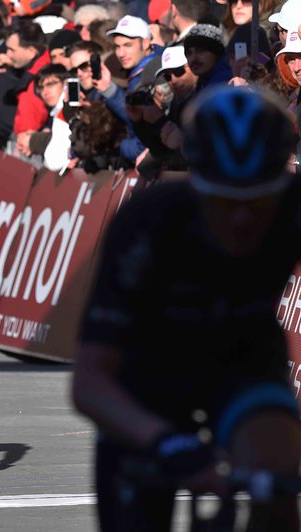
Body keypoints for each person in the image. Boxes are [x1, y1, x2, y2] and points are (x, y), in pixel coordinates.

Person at [72, 85, 301, 531]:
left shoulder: (294, 205)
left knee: (276, 472)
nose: (240, 218)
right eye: (222, 201)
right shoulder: (149, 221)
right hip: (145, 377)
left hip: (244, 361)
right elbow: (90, 383)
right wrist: (168, 444)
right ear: (196, 182)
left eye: (257, 202)